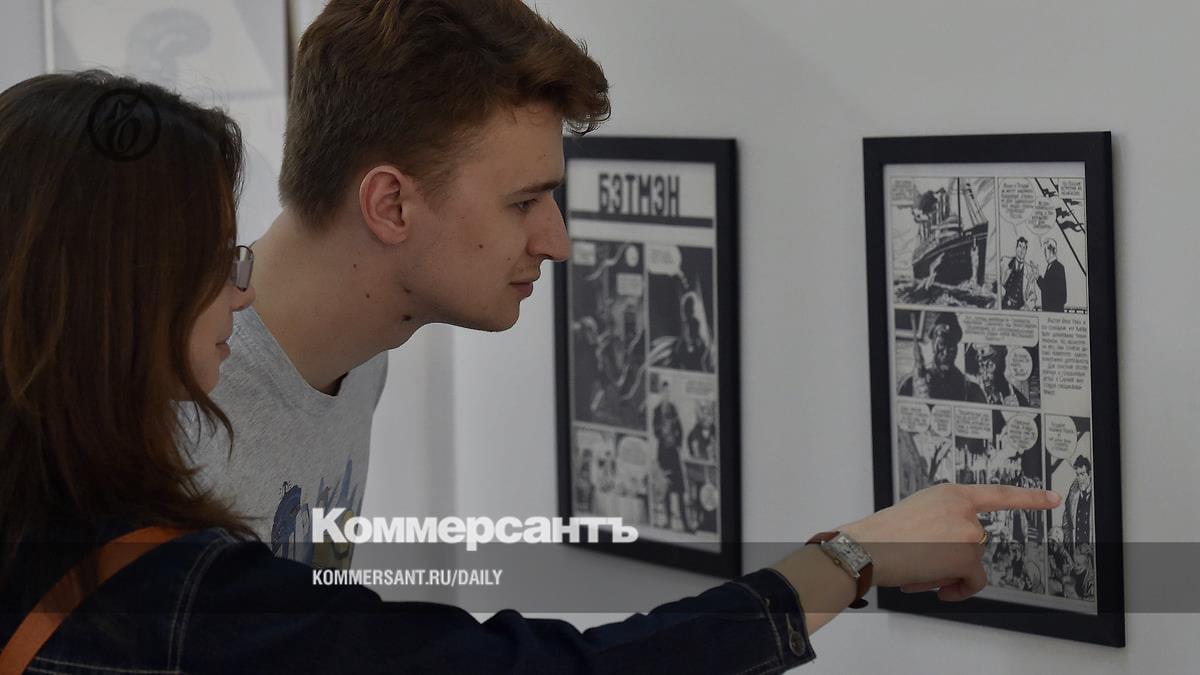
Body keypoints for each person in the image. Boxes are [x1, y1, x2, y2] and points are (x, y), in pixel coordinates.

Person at [0, 71, 1065, 673]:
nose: (557, 240)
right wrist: (851, 559)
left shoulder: (354, 370)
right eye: (524, 201)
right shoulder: (155, 574)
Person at [898, 312, 985, 402]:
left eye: (951, 346)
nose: (946, 352)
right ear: (933, 345)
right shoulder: (910, 385)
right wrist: (915, 398)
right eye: (941, 345)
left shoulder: (972, 390)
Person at [1062, 455, 1094, 557]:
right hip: (1076, 551)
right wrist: (1069, 545)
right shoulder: (1073, 492)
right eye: (1077, 475)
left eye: (1082, 474)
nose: (1080, 478)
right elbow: (1066, 521)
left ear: (1089, 474)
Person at [1001, 237, 1039, 310]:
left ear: (1026, 251)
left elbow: (1033, 296)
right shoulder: (1005, 262)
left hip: (1019, 309)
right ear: (1016, 248)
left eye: (1024, 248)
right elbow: (995, 281)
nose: (1021, 250)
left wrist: (1027, 307)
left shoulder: (1029, 271)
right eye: (1020, 246)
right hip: (1003, 306)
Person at [1038, 238, 1067, 312]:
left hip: (1054, 311)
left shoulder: (1058, 267)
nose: (1044, 254)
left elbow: (1049, 290)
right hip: (1049, 311)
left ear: (1051, 251)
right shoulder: (1050, 266)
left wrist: (1038, 278)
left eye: (1045, 250)